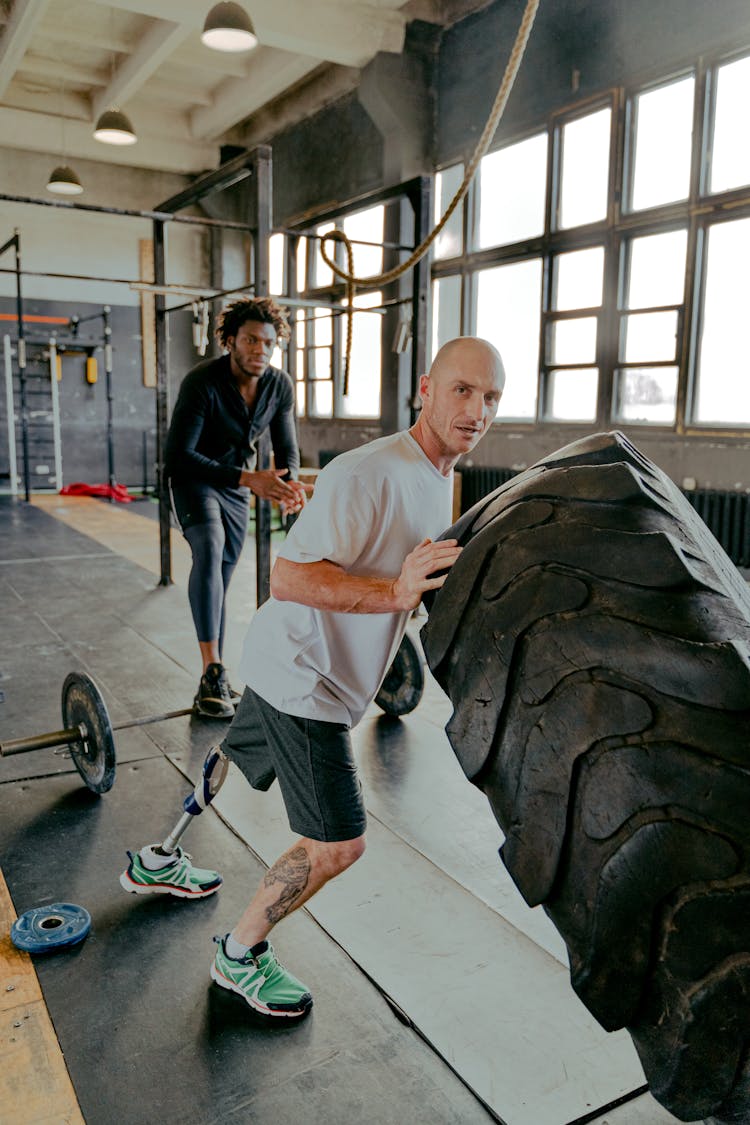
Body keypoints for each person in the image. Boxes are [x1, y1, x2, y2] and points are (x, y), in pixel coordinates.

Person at [121, 336, 506, 1020]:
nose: (476, 410)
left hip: (290, 661)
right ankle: (238, 954)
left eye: (490, 397)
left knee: (233, 758)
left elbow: (404, 580)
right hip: (306, 678)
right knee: (338, 841)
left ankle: (159, 856)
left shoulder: (437, 476)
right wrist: (394, 595)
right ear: (425, 388)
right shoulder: (369, 472)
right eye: (462, 390)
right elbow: (288, 576)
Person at [165, 296, 308, 718]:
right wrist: (251, 480)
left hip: (234, 488)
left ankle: (217, 673)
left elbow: (286, 448)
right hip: (195, 480)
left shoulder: (278, 386)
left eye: (267, 342)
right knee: (208, 548)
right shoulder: (202, 382)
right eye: (249, 340)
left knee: (221, 576)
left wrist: (288, 485)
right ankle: (211, 670)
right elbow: (177, 456)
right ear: (230, 340)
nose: (259, 349)